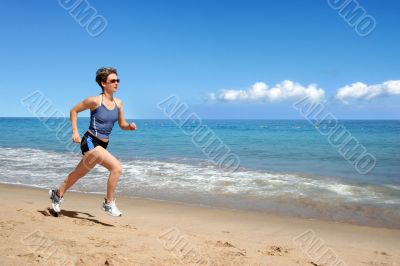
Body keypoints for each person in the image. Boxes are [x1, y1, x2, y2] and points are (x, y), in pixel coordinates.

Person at [49, 67, 136, 216]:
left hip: (103, 144)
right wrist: (75, 131)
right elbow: (74, 111)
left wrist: (129, 127)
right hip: (89, 141)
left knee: (78, 174)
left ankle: (57, 194)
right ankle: (109, 203)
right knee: (117, 168)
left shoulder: (119, 103)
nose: (116, 83)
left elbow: (122, 124)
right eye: (113, 81)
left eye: (118, 80)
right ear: (103, 83)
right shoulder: (94, 101)